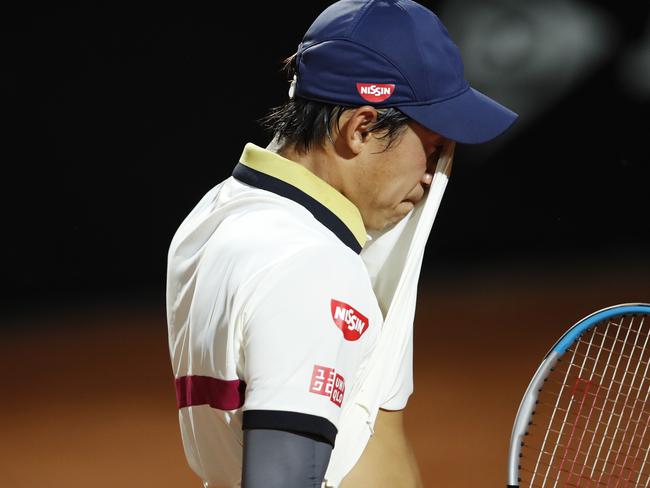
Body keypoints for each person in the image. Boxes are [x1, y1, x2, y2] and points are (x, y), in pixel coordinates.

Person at [165, 0, 517, 487]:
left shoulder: (217, 214)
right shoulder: (312, 267)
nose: (436, 178)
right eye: (433, 149)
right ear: (362, 128)